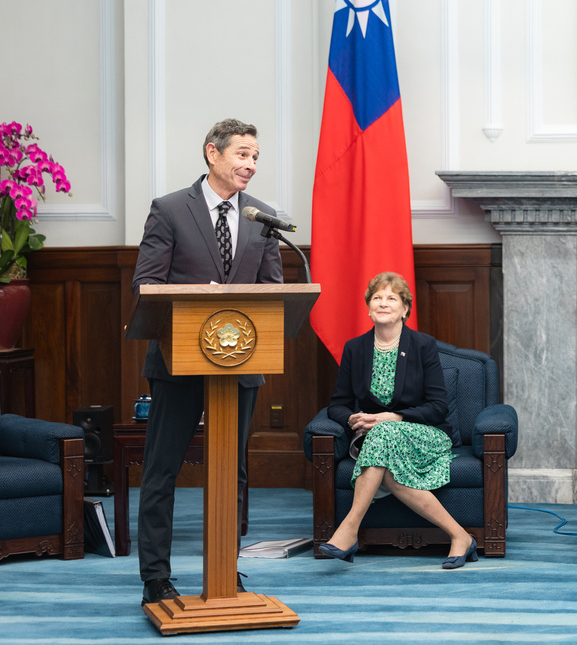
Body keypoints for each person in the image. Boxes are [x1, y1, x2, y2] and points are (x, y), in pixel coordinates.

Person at [132, 119, 284, 605]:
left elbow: (274, 293)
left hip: (242, 361)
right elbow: (146, 286)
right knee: (163, 469)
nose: (250, 165)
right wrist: (200, 295)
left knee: (232, 471)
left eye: (256, 156)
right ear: (211, 154)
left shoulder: (264, 217)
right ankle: (155, 575)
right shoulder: (171, 209)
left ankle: (225, 567)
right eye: (242, 154)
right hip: (178, 363)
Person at [319, 272, 477, 570]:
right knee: (388, 463)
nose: (383, 303)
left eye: (392, 298)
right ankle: (460, 536)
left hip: (425, 435)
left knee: (385, 431)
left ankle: (349, 527)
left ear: (405, 308)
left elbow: (438, 407)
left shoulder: (422, 346)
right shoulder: (355, 348)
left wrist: (393, 417)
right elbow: (337, 405)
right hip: (379, 440)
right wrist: (355, 418)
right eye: (377, 297)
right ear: (368, 307)